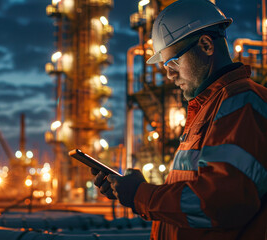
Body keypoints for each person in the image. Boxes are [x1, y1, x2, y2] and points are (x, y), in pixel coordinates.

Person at [92, 0, 267, 239]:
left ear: (206, 45)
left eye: (173, 62)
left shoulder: (240, 102)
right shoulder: (210, 108)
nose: (169, 75)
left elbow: (224, 202)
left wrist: (143, 195)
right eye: (165, 66)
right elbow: (195, 193)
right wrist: (132, 190)